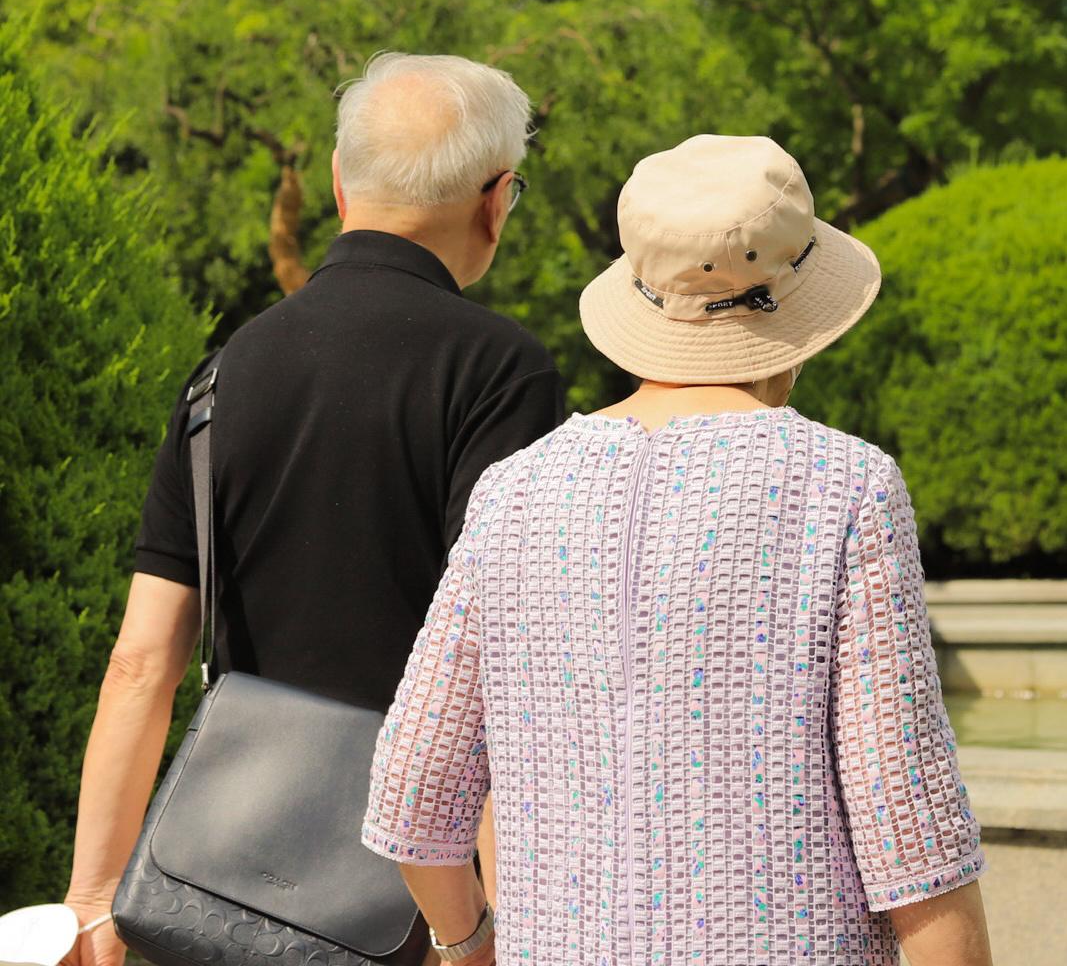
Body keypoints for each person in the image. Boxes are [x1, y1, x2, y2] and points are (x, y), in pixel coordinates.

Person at [362, 134, 993, 966]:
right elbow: (911, 834)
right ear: (798, 305)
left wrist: (469, 944)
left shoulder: (513, 492)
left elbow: (414, 792)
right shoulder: (844, 488)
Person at [62, 52, 565, 966]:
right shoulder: (501, 374)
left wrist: (94, 899)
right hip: (411, 903)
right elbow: (506, 675)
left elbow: (141, 663)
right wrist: (489, 935)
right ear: (496, 201)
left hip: (219, 887)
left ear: (338, 185)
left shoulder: (223, 373)